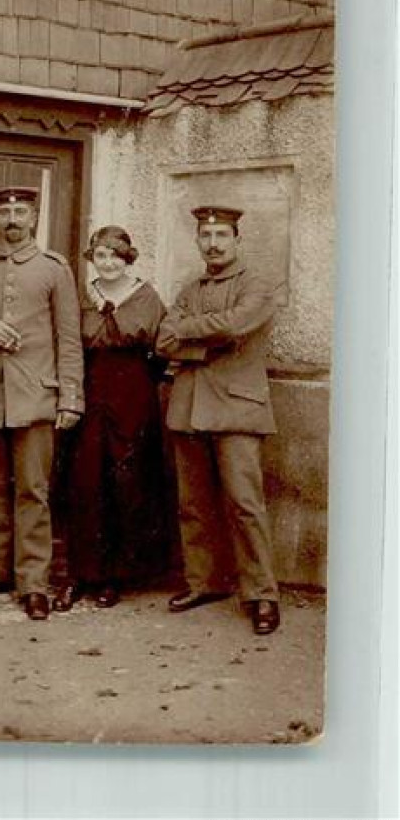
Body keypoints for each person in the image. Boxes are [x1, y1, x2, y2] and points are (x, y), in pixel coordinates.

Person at [0, 186, 84, 621]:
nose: (12, 218)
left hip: (36, 395)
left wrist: (70, 396)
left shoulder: (53, 268)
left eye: (20, 211)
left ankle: (34, 583)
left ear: (34, 216)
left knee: (32, 491)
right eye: (4, 211)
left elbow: (69, 338)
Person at [156, 205, 281, 636]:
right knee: (193, 504)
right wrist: (201, 341)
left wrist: (191, 333)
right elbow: (164, 338)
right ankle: (204, 581)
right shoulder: (191, 288)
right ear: (198, 242)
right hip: (189, 406)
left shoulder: (258, 284)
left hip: (237, 408)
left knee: (245, 504)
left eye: (221, 236)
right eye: (206, 237)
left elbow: (237, 327)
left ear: (236, 240)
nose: (213, 244)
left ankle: (262, 594)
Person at [53, 226, 167, 612]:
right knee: (84, 482)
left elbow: (161, 350)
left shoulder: (146, 296)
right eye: (101, 256)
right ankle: (82, 574)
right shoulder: (83, 296)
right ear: (92, 260)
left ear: (128, 258)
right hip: (89, 391)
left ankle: (117, 576)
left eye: (116, 256)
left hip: (132, 396)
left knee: (126, 481)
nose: (108, 263)